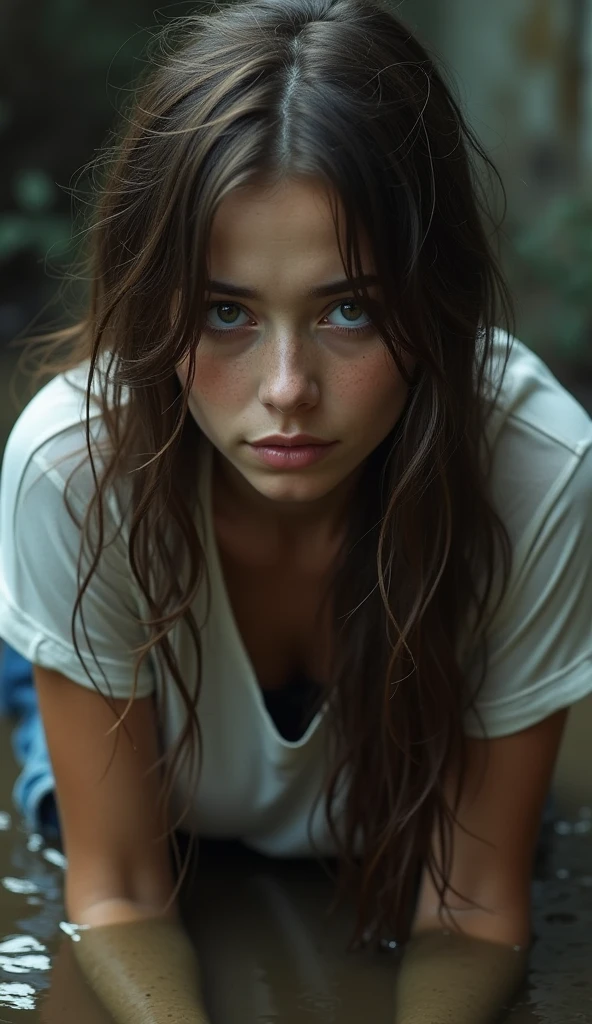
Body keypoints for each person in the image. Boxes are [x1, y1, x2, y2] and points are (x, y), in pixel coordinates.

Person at [0, 0, 591, 1020]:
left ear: (432, 302)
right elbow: (120, 893)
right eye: (225, 310)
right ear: (157, 306)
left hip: (397, 793)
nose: (285, 388)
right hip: (135, 748)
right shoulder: (71, 467)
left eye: (347, 309)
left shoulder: (535, 468)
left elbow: (473, 910)